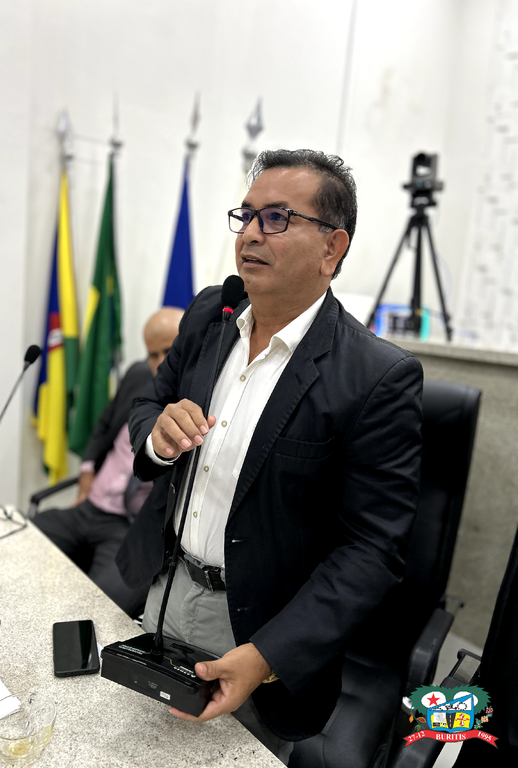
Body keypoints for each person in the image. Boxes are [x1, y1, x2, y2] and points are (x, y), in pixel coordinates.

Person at [117, 149, 423, 762]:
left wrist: (266, 656)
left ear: (332, 248)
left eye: (277, 218)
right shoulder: (211, 312)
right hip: (165, 584)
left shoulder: (376, 376)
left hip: (261, 633)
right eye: (247, 215)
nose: (251, 233)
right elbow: (149, 404)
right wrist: (157, 436)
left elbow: (371, 550)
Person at [33, 307, 183, 616]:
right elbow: (105, 423)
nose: (159, 363)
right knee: (16, 541)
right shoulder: (139, 376)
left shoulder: (200, 405)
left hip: (130, 525)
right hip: (88, 506)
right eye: (152, 354)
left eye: (169, 351)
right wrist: (86, 473)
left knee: (99, 610)